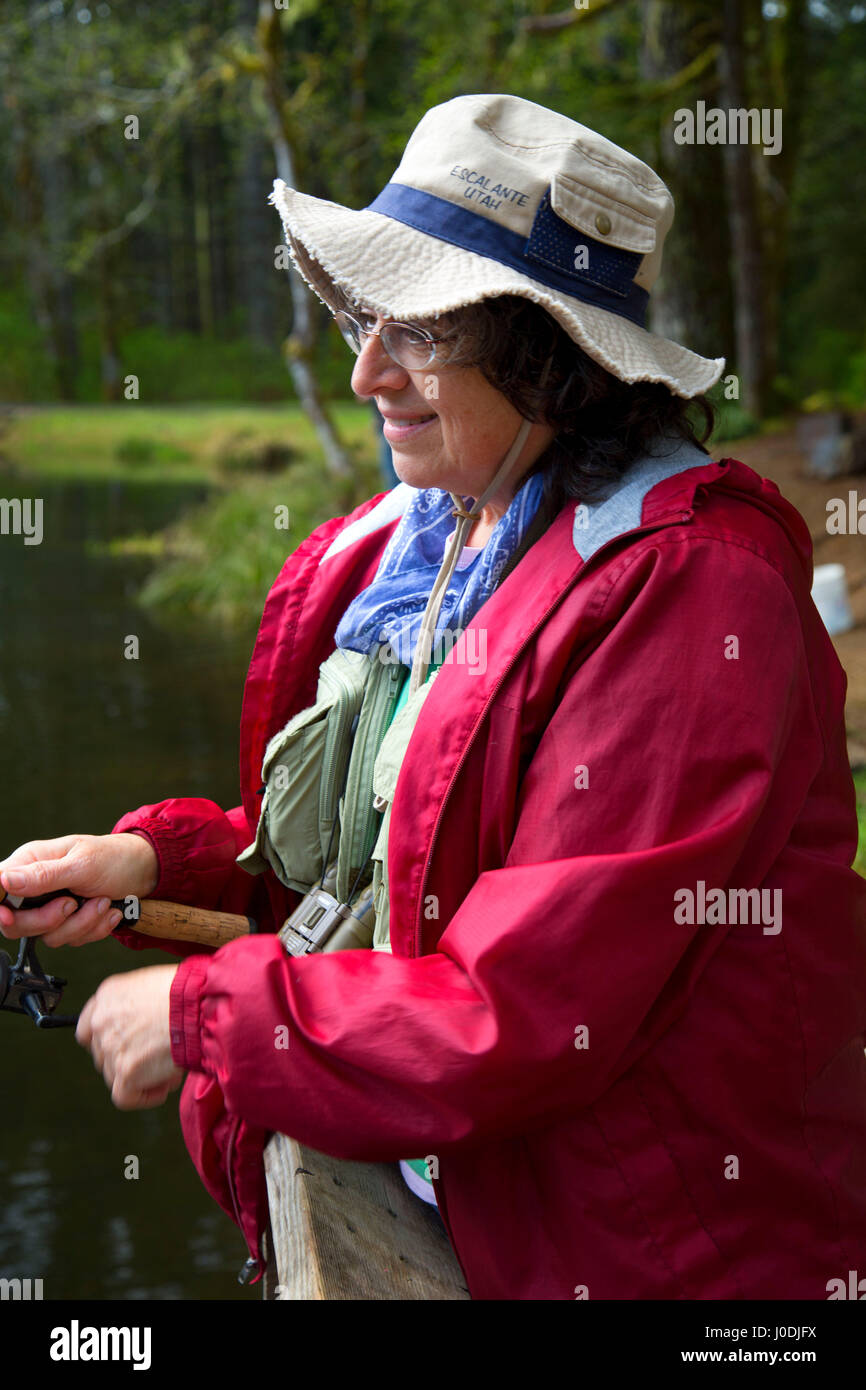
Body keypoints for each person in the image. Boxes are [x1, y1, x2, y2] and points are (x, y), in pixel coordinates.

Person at [2, 93, 865, 1300]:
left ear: (545, 353)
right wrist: (159, 871)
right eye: (366, 318)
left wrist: (208, 1014)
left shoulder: (694, 596)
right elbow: (390, 869)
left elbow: (521, 1010)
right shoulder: (434, 540)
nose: (363, 371)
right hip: (477, 1212)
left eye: (415, 329)